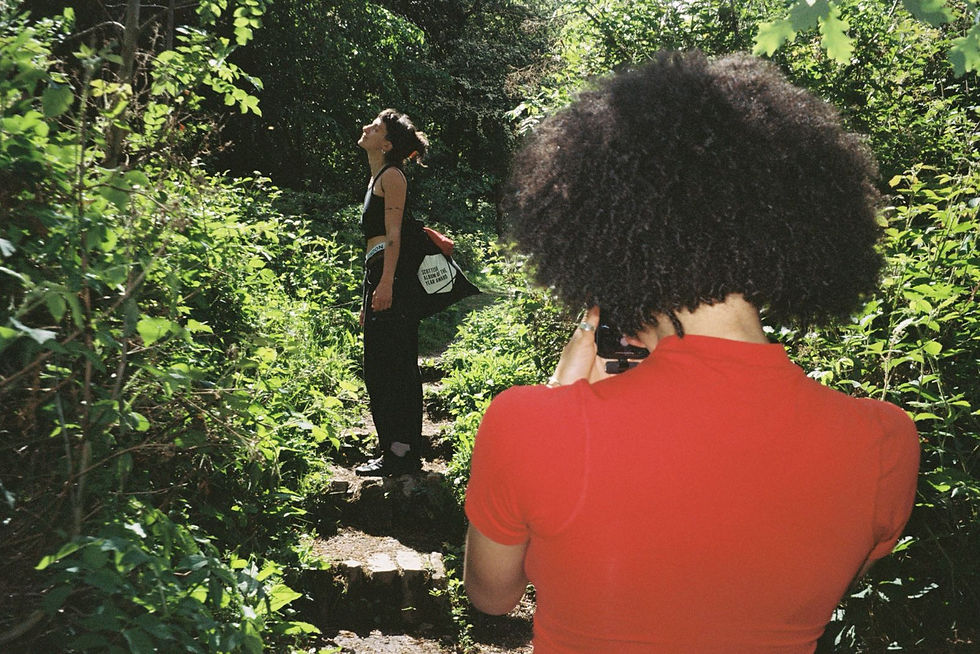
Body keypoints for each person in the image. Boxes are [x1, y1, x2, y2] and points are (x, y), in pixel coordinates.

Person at [463, 51, 920, 653]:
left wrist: (561, 405)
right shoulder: (884, 442)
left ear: (603, 241)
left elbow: (491, 597)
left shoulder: (532, 425)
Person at [354, 109, 429, 477]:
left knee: (395, 366)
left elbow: (394, 237)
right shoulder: (376, 178)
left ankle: (402, 455)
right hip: (380, 275)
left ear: (386, 144)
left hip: (394, 279)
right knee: (378, 367)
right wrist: (368, 293)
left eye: (376, 127)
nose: (366, 127)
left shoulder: (393, 177)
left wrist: (385, 284)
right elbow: (375, 243)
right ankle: (394, 450)